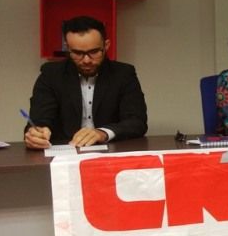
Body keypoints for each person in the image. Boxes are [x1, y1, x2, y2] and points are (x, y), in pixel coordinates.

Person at [24, 15, 147, 149]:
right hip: (63, 153)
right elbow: (39, 119)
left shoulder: (124, 74)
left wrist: (103, 133)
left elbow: (137, 122)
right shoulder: (51, 74)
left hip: (110, 151)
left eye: (94, 52)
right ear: (67, 48)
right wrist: (36, 134)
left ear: (106, 46)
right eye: (78, 53)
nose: (87, 60)